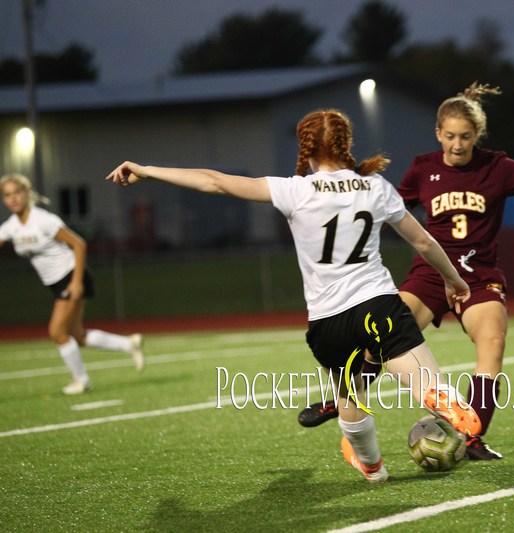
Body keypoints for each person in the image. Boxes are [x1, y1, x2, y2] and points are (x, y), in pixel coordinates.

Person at [106, 109, 481, 483]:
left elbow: (215, 182)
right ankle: (441, 396)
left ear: (305, 147)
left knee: (351, 395)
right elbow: (422, 240)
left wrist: (148, 170)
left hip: (327, 323)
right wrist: (453, 280)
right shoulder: (375, 187)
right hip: (377, 303)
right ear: (346, 143)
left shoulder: (294, 190)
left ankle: (372, 468)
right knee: (421, 378)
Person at [299, 83, 514, 461]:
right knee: (378, 343)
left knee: (492, 344)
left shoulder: (497, 167)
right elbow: (386, 208)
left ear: (478, 135)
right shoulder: (424, 168)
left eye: (466, 137)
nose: (457, 145)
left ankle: (472, 437)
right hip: (430, 274)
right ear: (438, 132)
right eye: (451, 136)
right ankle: (341, 401)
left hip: (478, 276)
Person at [0, 173, 145, 395]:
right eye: (7, 195)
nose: (13, 198)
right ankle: (128, 344)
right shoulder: (11, 226)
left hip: (71, 276)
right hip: (55, 283)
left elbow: (79, 244)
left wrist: (76, 283)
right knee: (77, 335)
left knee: (57, 331)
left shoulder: (43, 220)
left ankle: (81, 380)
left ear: (27, 193)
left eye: (17, 192)